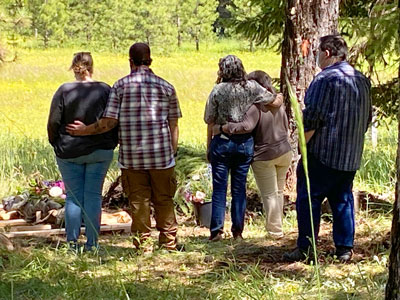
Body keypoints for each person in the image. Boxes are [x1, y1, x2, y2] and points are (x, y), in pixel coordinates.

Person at [66, 43, 182, 251]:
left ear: (130, 62)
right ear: (150, 61)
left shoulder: (120, 87)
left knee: (138, 201)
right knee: (164, 199)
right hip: (162, 157)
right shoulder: (166, 87)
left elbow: (109, 122)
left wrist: (84, 130)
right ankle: (169, 243)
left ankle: (143, 244)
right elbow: (173, 123)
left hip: (132, 157)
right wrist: (172, 150)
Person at [283, 35, 372, 262]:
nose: (316, 57)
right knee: (342, 199)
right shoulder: (361, 79)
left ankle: (307, 248)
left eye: (318, 52)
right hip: (350, 155)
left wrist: (303, 148)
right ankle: (344, 249)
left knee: (308, 199)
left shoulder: (325, 79)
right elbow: (367, 118)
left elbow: (312, 118)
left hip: (323, 153)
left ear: (327, 53)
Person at [204, 55, 281, 241]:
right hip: (245, 143)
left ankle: (216, 231)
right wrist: (280, 97)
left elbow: (209, 119)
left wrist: (209, 146)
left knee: (219, 189)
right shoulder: (252, 87)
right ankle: (237, 232)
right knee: (239, 188)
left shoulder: (217, 90)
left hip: (222, 141)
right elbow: (274, 101)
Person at [47, 52, 118, 250]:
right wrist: (111, 143)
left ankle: (72, 243)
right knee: (94, 195)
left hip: (69, 151)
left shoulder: (64, 90)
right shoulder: (105, 90)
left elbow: (53, 121)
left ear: (74, 67)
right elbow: (113, 120)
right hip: (100, 150)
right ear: (91, 67)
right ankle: (93, 243)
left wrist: (57, 143)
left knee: (73, 196)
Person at [214, 70, 292, 238]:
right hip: (285, 151)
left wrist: (223, 128)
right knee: (278, 192)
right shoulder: (278, 101)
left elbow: (246, 126)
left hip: (265, 154)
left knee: (270, 194)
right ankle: (278, 228)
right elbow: (286, 125)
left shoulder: (256, 105)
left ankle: (275, 232)